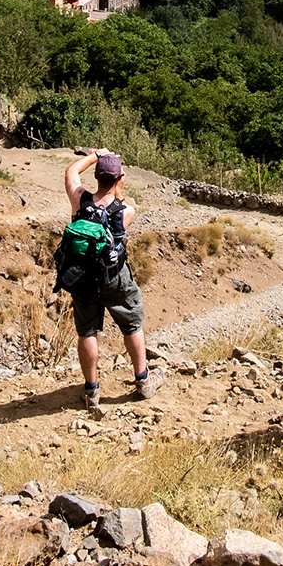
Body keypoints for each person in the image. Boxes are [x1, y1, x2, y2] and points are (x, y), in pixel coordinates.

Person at [63, 148, 165, 409]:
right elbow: (118, 204)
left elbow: (71, 171)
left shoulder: (79, 200)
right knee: (132, 324)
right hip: (114, 278)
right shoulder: (126, 211)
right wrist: (118, 186)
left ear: (96, 177)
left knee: (87, 331)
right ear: (119, 178)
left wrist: (96, 155)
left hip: (82, 277)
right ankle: (142, 381)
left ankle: (91, 391)